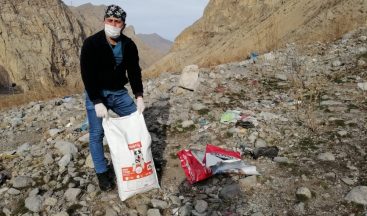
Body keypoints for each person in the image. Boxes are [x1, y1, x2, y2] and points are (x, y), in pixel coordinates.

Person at [80, 4, 145, 191]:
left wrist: (139, 95)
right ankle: (102, 173)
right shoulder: (91, 43)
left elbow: (134, 71)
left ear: (123, 24)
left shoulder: (129, 45)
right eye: (110, 21)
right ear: (104, 21)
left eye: (117, 22)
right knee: (96, 134)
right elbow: (87, 74)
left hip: (118, 93)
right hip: (97, 93)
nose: (113, 24)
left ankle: (137, 162)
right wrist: (96, 100)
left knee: (136, 124)